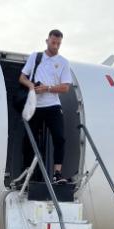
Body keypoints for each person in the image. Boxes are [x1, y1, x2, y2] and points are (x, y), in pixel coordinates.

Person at [19, 29, 73, 184]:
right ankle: (26, 173)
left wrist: (47, 88)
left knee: (59, 138)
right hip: (35, 104)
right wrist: (31, 86)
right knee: (29, 140)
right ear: (47, 41)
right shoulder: (35, 57)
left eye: (58, 44)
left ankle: (57, 173)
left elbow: (65, 88)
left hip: (52, 105)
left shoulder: (63, 62)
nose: (55, 46)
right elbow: (22, 77)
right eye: (53, 42)